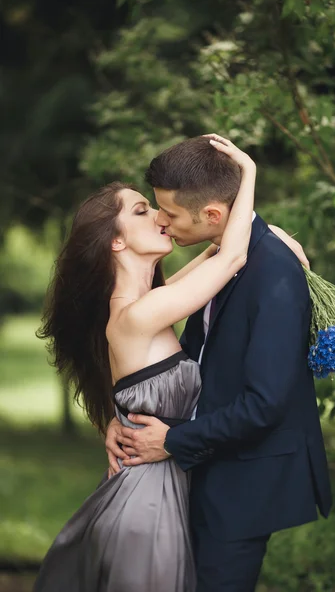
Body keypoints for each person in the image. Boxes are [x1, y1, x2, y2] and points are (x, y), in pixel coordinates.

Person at [34, 135, 302, 592]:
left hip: (163, 494)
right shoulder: (140, 314)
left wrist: (266, 237)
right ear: (116, 243)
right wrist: (248, 174)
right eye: (142, 211)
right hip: (146, 507)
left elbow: (217, 255)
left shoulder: (149, 302)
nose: (159, 217)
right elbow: (231, 255)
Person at [106, 135, 333, 591]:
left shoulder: (273, 273)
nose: (162, 222)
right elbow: (187, 362)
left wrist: (171, 439)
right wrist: (119, 419)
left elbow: (264, 403)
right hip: (197, 474)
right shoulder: (219, 266)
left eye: (167, 213)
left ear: (211, 215)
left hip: (241, 486)